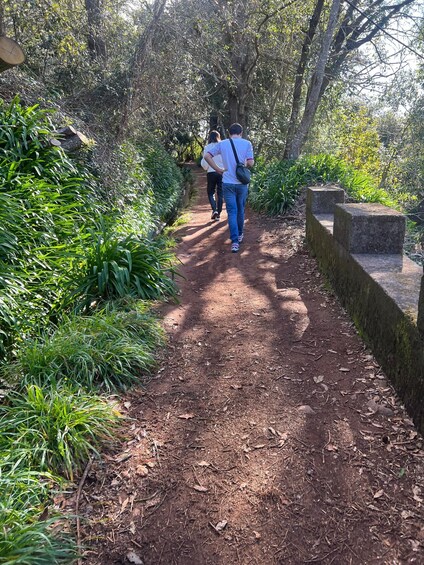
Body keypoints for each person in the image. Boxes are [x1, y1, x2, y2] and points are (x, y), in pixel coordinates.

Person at [204, 123, 254, 253]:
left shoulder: (223, 144)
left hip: (227, 182)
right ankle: (240, 234)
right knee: (240, 210)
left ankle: (235, 242)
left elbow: (207, 156)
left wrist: (217, 169)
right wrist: (243, 165)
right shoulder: (247, 143)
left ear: (229, 132)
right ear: (241, 132)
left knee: (232, 212)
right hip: (242, 183)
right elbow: (250, 162)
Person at [201, 130, 224, 221]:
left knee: (210, 192)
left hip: (211, 172)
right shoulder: (222, 146)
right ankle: (218, 213)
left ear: (209, 138)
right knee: (220, 193)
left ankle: (214, 210)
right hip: (222, 172)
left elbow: (205, 161)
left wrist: (206, 168)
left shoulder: (207, 147)